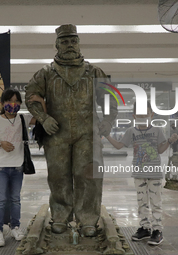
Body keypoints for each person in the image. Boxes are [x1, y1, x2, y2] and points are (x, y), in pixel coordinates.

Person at [25, 24, 118, 237]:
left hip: (88, 133)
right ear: (57, 45)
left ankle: (88, 219)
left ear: (79, 43)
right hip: (56, 133)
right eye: (65, 41)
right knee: (58, 176)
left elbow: (112, 99)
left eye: (73, 41)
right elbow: (31, 97)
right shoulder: (45, 73)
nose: (70, 45)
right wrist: (43, 118)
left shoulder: (94, 71)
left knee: (89, 177)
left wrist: (108, 121)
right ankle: (60, 216)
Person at [105, 101, 178, 245]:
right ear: (134, 116)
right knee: (142, 202)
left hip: (155, 173)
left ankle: (157, 230)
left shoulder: (157, 131)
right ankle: (145, 228)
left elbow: (159, 150)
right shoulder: (131, 131)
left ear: (152, 115)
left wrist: (169, 141)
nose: (143, 117)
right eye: (140, 115)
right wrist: (107, 136)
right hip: (139, 173)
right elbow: (119, 146)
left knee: (155, 202)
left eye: (146, 114)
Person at [0, 88, 45, 247]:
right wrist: (1, 144)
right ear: (3, 103)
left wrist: (41, 102)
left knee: (15, 199)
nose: (13, 104)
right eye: (9, 101)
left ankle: (15, 227)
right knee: (0, 199)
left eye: (16, 101)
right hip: (1, 167)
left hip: (18, 166)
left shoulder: (23, 118)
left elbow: (43, 118)